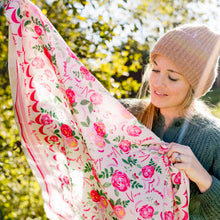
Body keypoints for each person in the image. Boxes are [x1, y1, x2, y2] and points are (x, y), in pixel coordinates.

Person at [121, 24, 220, 219]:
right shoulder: (126, 113)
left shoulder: (212, 137)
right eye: (155, 70)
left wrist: (203, 178)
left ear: (194, 87)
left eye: (172, 77)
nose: (157, 83)